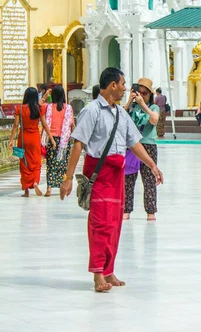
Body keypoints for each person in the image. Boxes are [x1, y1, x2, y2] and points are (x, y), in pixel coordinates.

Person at [59, 67, 163, 292]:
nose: (126, 88)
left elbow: (134, 143)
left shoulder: (121, 114)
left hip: (116, 175)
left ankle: (109, 270)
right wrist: (67, 178)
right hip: (98, 174)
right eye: (123, 84)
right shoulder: (92, 110)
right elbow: (78, 144)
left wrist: (152, 164)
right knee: (100, 224)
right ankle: (98, 275)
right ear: (112, 85)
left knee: (115, 223)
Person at [123, 78, 160, 221]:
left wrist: (143, 104)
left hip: (148, 145)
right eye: (140, 92)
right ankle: (126, 210)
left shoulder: (153, 107)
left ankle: (151, 212)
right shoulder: (131, 107)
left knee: (149, 180)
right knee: (128, 179)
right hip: (132, 145)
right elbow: (120, 118)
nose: (142, 95)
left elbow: (154, 119)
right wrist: (129, 101)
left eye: (145, 93)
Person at [8, 87, 56, 197]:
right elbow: (44, 125)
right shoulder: (39, 108)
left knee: (24, 163)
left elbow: (15, 125)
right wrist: (51, 139)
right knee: (36, 162)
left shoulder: (19, 109)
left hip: (23, 138)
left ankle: (26, 191)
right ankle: (34, 182)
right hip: (35, 138)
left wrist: (11, 140)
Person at [41, 85, 75, 197]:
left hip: (51, 138)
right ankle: (63, 187)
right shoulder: (68, 108)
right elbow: (72, 125)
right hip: (65, 139)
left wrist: (46, 95)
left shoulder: (48, 107)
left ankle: (49, 188)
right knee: (64, 164)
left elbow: (38, 106)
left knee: (50, 164)